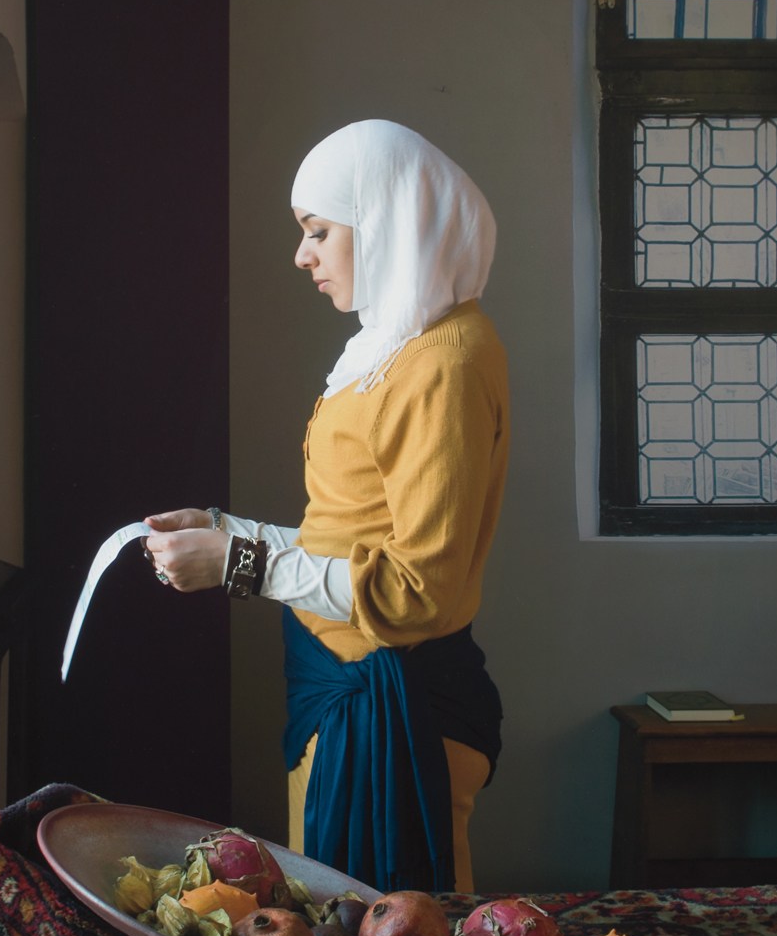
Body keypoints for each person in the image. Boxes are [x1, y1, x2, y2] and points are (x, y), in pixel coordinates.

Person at [142, 119, 506, 894]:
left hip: (395, 703)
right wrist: (225, 532)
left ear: (384, 224)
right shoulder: (391, 347)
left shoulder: (443, 360)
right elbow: (347, 534)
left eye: (318, 231)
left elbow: (416, 590)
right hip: (344, 694)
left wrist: (238, 565)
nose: (302, 254)